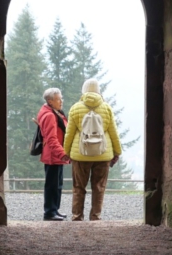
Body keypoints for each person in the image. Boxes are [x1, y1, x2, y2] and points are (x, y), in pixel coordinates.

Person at [62, 78, 122, 222]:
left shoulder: (75, 108)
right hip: (103, 154)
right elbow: (113, 132)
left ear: (84, 90)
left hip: (80, 155)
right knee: (99, 187)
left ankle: (77, 217)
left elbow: (69, 133)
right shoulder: (106, 108)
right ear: (98, 91)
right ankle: (95, 216)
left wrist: (66, 152)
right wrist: (117, 152)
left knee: (78, 187)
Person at [36, 88, 69, 221]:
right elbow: (51, 138)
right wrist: (62, 154)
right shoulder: (50, 115)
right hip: (53, 156)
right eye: (58, 99)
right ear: (50, 101)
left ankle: (54, 209)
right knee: (52, 185)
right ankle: (49, 212)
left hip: (56, 155)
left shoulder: (53, 112)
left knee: (57, 184)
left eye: (61, 98)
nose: (61, 101)